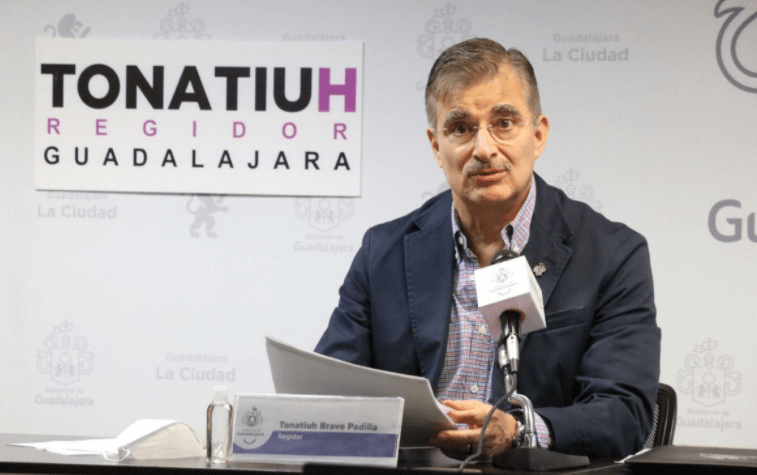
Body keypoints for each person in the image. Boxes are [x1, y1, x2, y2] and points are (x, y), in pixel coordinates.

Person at [315, 38, 660, 459]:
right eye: (461, 128)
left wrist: (519, 431)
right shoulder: (382, 252)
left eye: (504, 122)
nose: (484, 149)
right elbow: (328, 396)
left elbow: (624, 413)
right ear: (436, 145)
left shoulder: (612, 254)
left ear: (538, 135)